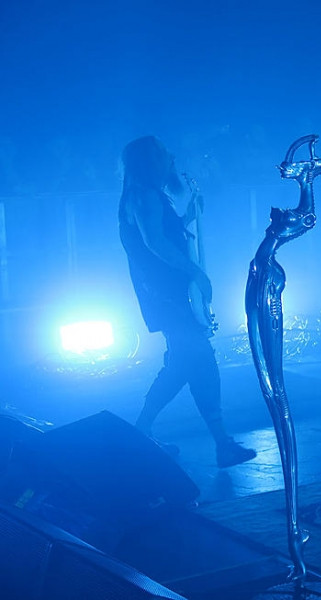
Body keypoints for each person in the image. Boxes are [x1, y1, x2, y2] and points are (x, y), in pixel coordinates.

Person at [118, 135, 256, 468]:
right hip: (167, 295)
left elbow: (160, 236)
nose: (172, 158)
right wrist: (196, 273)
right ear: (151, 162)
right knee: (199, 359)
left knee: (182, 364)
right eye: (164, 154)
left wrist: (186, 219)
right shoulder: (144, 195)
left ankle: (142, 434)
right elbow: (154, 243)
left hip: (166, 294)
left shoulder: (143, 195)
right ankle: (220, 443)